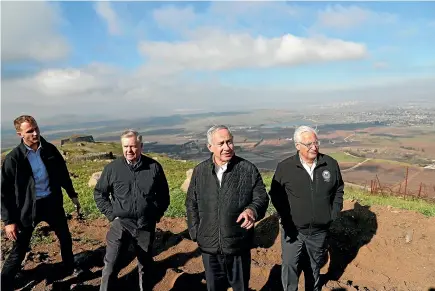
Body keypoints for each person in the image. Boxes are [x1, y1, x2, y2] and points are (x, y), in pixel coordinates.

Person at [1, 115, 82, 291]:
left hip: (52, 202)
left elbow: (63, 174)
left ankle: (69, 267)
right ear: (19, 134)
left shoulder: (50, 150)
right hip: (28, 208)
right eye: (30, 131)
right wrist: (9, 222)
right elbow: (4, 193)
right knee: (20, 247)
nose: (35, 133)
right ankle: (5, 282)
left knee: (65, 237)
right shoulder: (13, 159)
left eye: (36, 128)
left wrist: (72, 195)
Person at [185, 125, 269, 291]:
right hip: (209, 247)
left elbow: (261, 198)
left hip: (238, 244)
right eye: (221, 143)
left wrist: (252, 210)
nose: (227, 147)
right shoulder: (200, 171)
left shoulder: (247, 169)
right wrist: (196, 232)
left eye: (229, 142)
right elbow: (191, 203)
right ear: (210, 147)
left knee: (240, 288)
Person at [269, 125, 344, 291]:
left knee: (314, 266)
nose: (314, 147)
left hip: (319, 230)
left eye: (316, 142)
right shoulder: (285, 167)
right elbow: (276, 194)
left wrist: (333, 213)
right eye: (309, 144)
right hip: (292, 230)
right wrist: (286, 218)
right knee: (290, 266)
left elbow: (338, 189)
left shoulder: (330, 164)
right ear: (297, 146)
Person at [94, 129, 170, 291]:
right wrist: (111, 215)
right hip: (120, 223)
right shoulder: (112, 169)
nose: (129, 150)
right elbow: (100, 193)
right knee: (111, 264)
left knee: (145, 264)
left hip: (144, 224)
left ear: (141, 146)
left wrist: (154, 215)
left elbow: (164, 195)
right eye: (125, 146)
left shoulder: (153, 167)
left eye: (133, 146)